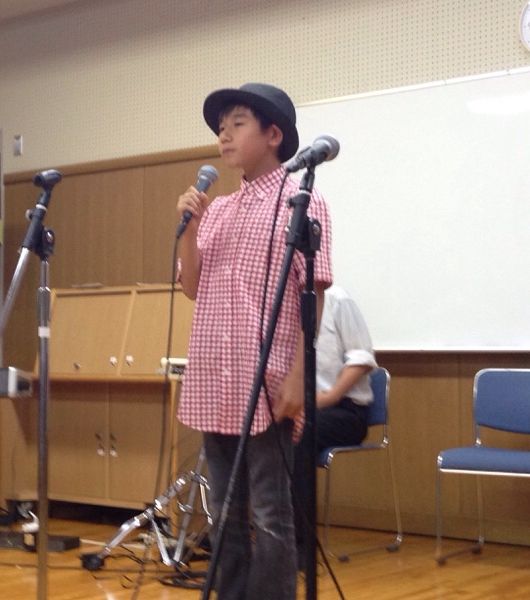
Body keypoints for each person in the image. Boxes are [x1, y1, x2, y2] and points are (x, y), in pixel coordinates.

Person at [175, 83, 333, 599]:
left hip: (265, 382)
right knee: (223, 512)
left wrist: (298, 375)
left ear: (273, 135)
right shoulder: (219, 209)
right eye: (220, 127)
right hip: (213, 379)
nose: (224, 134)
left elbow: (313, 294)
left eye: (236, 123)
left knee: (269, 513)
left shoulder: (301, 202)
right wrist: (190, 229)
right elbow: (192, 286)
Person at [293, 284, 377, 559]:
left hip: (345, 411)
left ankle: (299, 547)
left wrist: (330, 396)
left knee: (299, 432)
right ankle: (240, 538)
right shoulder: (277, 304)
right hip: (302, 407)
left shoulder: (336, 299)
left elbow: (361, 356)